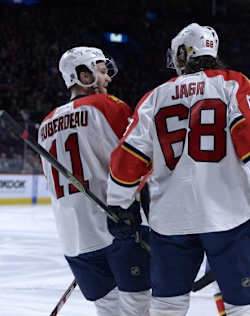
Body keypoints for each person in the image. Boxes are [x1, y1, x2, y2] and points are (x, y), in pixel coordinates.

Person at [106, 23, 250, 316]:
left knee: (166, 307)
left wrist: (120, 205)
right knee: (245, 308)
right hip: (228, 217)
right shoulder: (232, 83)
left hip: (170, 222)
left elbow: (128, 157)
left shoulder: (155, 96)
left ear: (182, 54)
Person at [38, 47, 151, 316]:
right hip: (119, 229)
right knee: (141, 308)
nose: (108, 78)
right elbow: (139, 159)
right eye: (101, 71)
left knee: (109, 310)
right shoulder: (108, 106)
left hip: (75, 240)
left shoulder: (45, 124)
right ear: (83, 75)